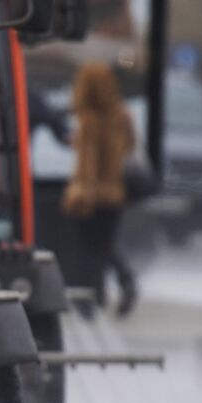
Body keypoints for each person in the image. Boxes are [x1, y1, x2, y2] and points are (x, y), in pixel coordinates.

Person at [60, 60, 139, 316]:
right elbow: (130, 149)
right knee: (106, 245)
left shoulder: (89, 121)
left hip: (91, 194)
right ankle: (123, 282)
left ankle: (92, 299)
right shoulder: (122, 115)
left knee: (88, 248)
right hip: (114, 193)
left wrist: (82, 194)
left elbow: (88, 165)